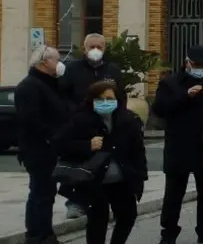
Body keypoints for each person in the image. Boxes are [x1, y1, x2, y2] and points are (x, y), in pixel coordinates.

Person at [151, 46, 203, 244]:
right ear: (187, 62)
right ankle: (169, 233)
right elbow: (160, 110)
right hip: (180, 146)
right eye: (197, 65)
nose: (200, 69)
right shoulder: (170, 84)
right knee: (174, 194)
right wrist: (185, 96)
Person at [54, 80, 148, 244]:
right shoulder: (80, 120)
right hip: (94, 180)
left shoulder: (129, 120)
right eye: (100, 99)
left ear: (118, 99)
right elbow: (60, 144)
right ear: (91, 100)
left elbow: (138, 151)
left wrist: (139, 176)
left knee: (127, 216)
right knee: (97, 221)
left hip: (122, 180)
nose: (105, 103)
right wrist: (86, 146)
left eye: (110, 98)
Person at [59, 33, 125, 218]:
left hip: (108, 121)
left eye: (100, 47)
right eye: (91, 47)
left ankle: (103, 199)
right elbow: (63, 95)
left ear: (105, 49)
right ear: (84, 48)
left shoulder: (113, 70)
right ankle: (75, 201)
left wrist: (121, 117)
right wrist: (74, 113)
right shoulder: (72, 69)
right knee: (80, 161)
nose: (95, 50)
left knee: (105, 161)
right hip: (81, 122)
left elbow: (121, 96)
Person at [15, 45, 70, 244]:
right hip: (38, 150)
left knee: (46, 193)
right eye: (56, 59)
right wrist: (51, 137)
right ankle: (37, 235)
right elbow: (31, 120)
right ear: (44, 62)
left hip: (48, 149)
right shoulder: (29, 86)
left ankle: (45, 233)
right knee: (40, 193)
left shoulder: (49, 85)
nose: (59, 63)